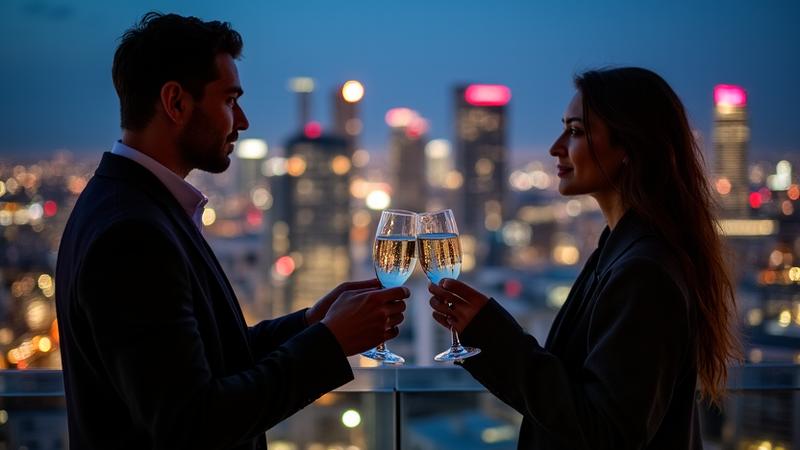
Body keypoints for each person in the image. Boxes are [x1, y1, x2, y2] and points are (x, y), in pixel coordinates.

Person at [55, 12, 408, 450]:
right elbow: (192, 424)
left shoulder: (130, 205)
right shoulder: (132, 235)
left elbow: (209, 358)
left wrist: (310, 323)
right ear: (176, 102)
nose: (242, 120)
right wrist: (330, 342)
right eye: (229, 100)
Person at [429, 67, 741, 449]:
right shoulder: (623, 250)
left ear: (629, 147)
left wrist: (494, 337)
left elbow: (608, 431)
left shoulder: (643, 271)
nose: (555, 147)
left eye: (575, 131)